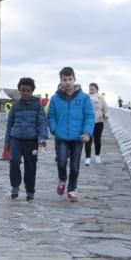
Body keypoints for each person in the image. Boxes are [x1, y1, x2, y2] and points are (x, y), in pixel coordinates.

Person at [48, 66, 94, 202]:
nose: (67, 82)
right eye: (64, 79)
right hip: (61, 136)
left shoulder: (84, 98)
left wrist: (87, 132)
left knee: (74, 165)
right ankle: (62, 179)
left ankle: (72, 189)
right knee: (61, 161)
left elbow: (89, 116)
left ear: (75, 80)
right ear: (60, 81)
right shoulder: (55, 98)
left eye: (70, 79)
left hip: (78, 137)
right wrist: (54, 129)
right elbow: (51, 116)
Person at [4, 77, 48, 201]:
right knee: (14, 162)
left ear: (32, 91)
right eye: (23, 90)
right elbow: (9, 125)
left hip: (32, 141)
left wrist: (42, 139)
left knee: (30, 166)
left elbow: (42, 123)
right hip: (16, 139)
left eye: (28, 90)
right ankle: (15, 185)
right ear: (19, 91)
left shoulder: (38, 106)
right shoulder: (15, 107)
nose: (25, 93)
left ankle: (30, 191)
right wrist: (7, 141)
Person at [84, 82, 109, 164]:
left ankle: (97, 156)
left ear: (96, 89)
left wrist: (106, 115)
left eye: (92, 89)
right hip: (88, 122)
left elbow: (105, 108)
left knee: (97, 140)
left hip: (99, 121)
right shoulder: (86, 98)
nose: (90, 90)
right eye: (89, 88)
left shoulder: (100, 98)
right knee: (88, 140)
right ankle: (88, 158)